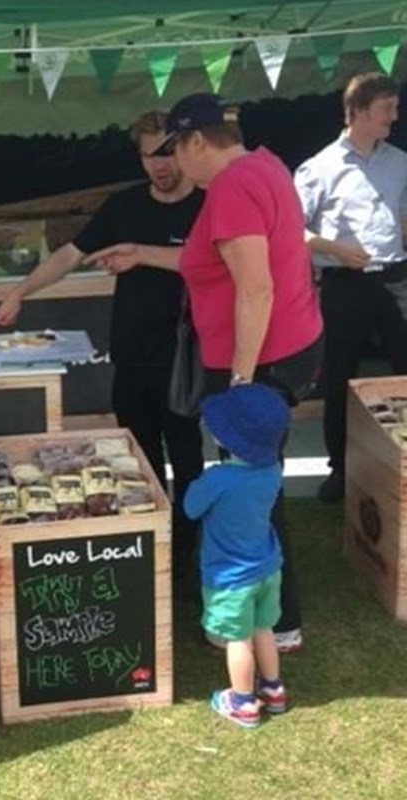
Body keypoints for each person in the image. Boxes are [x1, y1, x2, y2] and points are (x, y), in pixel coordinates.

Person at [86, 93, 323, 653]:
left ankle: (275, 621)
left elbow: (255, 286)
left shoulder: (234, 187)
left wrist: (240, 381)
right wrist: (141, 253)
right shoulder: (265, 165)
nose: (173, 165)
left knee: (252, 487)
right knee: (258, 484)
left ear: (196, 141)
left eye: (176, 150)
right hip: (287, 347)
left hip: (258, 361)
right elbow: (212, 261)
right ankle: (264, 609)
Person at [0, 111, 204, 578]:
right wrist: (21, 292)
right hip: (130, 353)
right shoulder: (123, 206)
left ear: (185, 149)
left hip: (186, 357)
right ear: (140, 158)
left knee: (187, 458)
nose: (161, 165)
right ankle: (148, 548)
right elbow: (69, 254)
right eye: (150, 156)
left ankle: (188, 553)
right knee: (137, 458)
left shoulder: (208, 204)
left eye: (168, 152)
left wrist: (142, 254)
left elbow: (210, 262)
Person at [294, 73, 407, 504]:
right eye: (386, 109)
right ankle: (340, 470)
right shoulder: (318, 168)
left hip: (395, 278)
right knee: (342, 376)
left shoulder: (399, 162)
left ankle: (399, 464)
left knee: (404, 373)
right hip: (345, 284)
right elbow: (290, 232)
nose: (394, 118)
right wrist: (333, 249)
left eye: (395, 108)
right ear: (358, 112)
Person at [184, 383, 290, 729]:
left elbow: (189, 507)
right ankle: (273, 689)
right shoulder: (272, 470)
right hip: (267, 566)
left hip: (230, 577)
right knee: (264, 629)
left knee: (237, 639)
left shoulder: (219, 478)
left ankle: (242, 700)